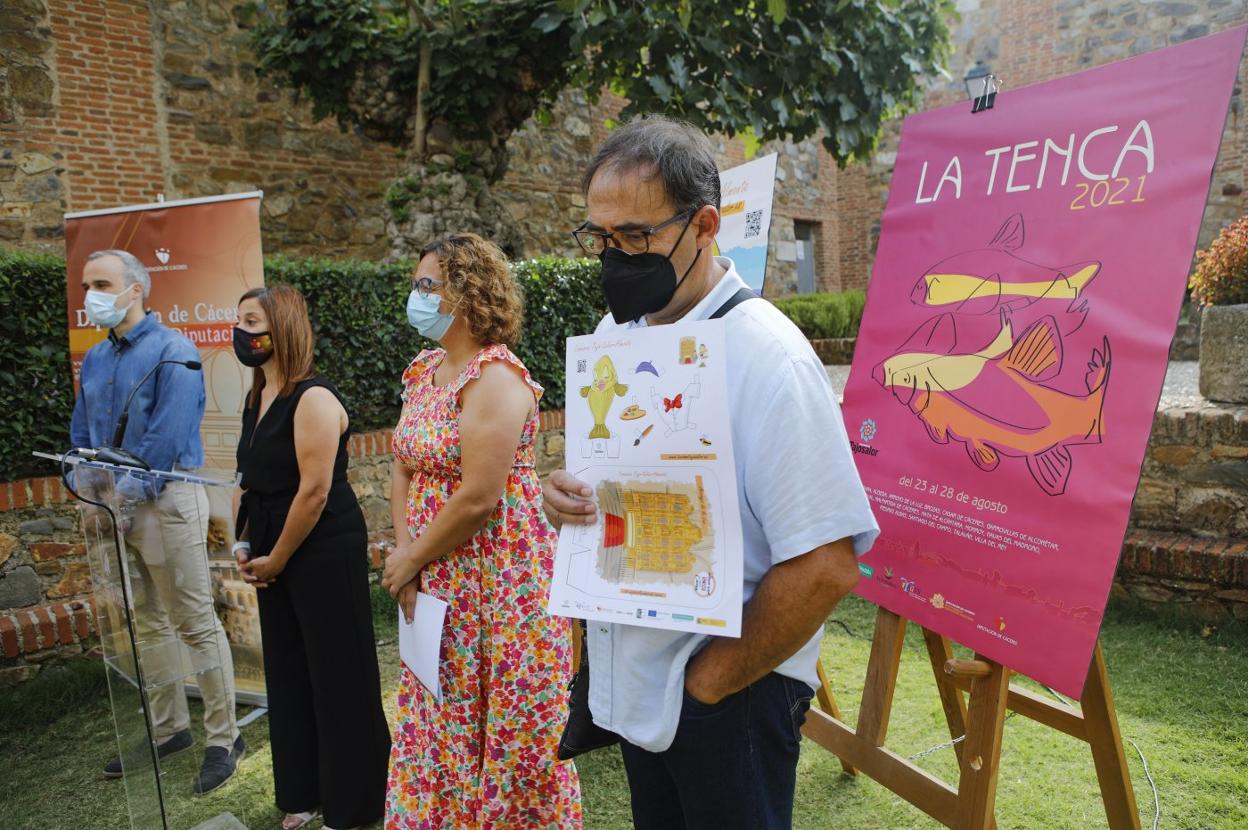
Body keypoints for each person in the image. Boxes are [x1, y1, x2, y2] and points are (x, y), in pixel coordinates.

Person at [543, 116, 880, 830]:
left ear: (704, 224)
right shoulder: (616, 339)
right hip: (635, 685)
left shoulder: (770, 359)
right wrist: (567, 496)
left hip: (730, 692)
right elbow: (606, 479)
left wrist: (711, 685)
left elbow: (826, 565)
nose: (613, 256)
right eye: (600, 238)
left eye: (634, 237)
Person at [381, 233, 582, 828]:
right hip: (434, 574)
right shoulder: (423, 371)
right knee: (438, 716)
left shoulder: (497, 377)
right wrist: (407, 560)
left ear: (466, 293)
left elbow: (479, 496)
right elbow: (401, 465)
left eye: (428, 285)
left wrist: (412, 558)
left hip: (499, 585)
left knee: (509, 725)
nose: (417, 296)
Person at [69, 249, 243, 794]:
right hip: (114, 508)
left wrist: (119, 498)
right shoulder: (95, 359)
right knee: (146, 621)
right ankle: (170, 730)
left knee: (193, 618)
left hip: (165, 502)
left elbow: (163, 443)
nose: (90, 294)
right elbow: (81, 435)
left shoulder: (175, 352)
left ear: (136, 290)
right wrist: (86, 489)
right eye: (86, 283)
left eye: (101, 283)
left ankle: (223, 738)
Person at [232, 285, 390, 830]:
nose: (242, 333)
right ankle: (303, 792)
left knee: (338, 675)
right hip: (272, 541)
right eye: (240, 322)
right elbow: (249, 479)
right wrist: (244, 543)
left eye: (252, 321)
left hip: (321, 545)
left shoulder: (314, 398)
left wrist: (278, 557)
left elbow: (314, 491)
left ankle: (354, 805)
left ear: (282, 328)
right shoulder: (256, 398)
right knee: (289, 671)